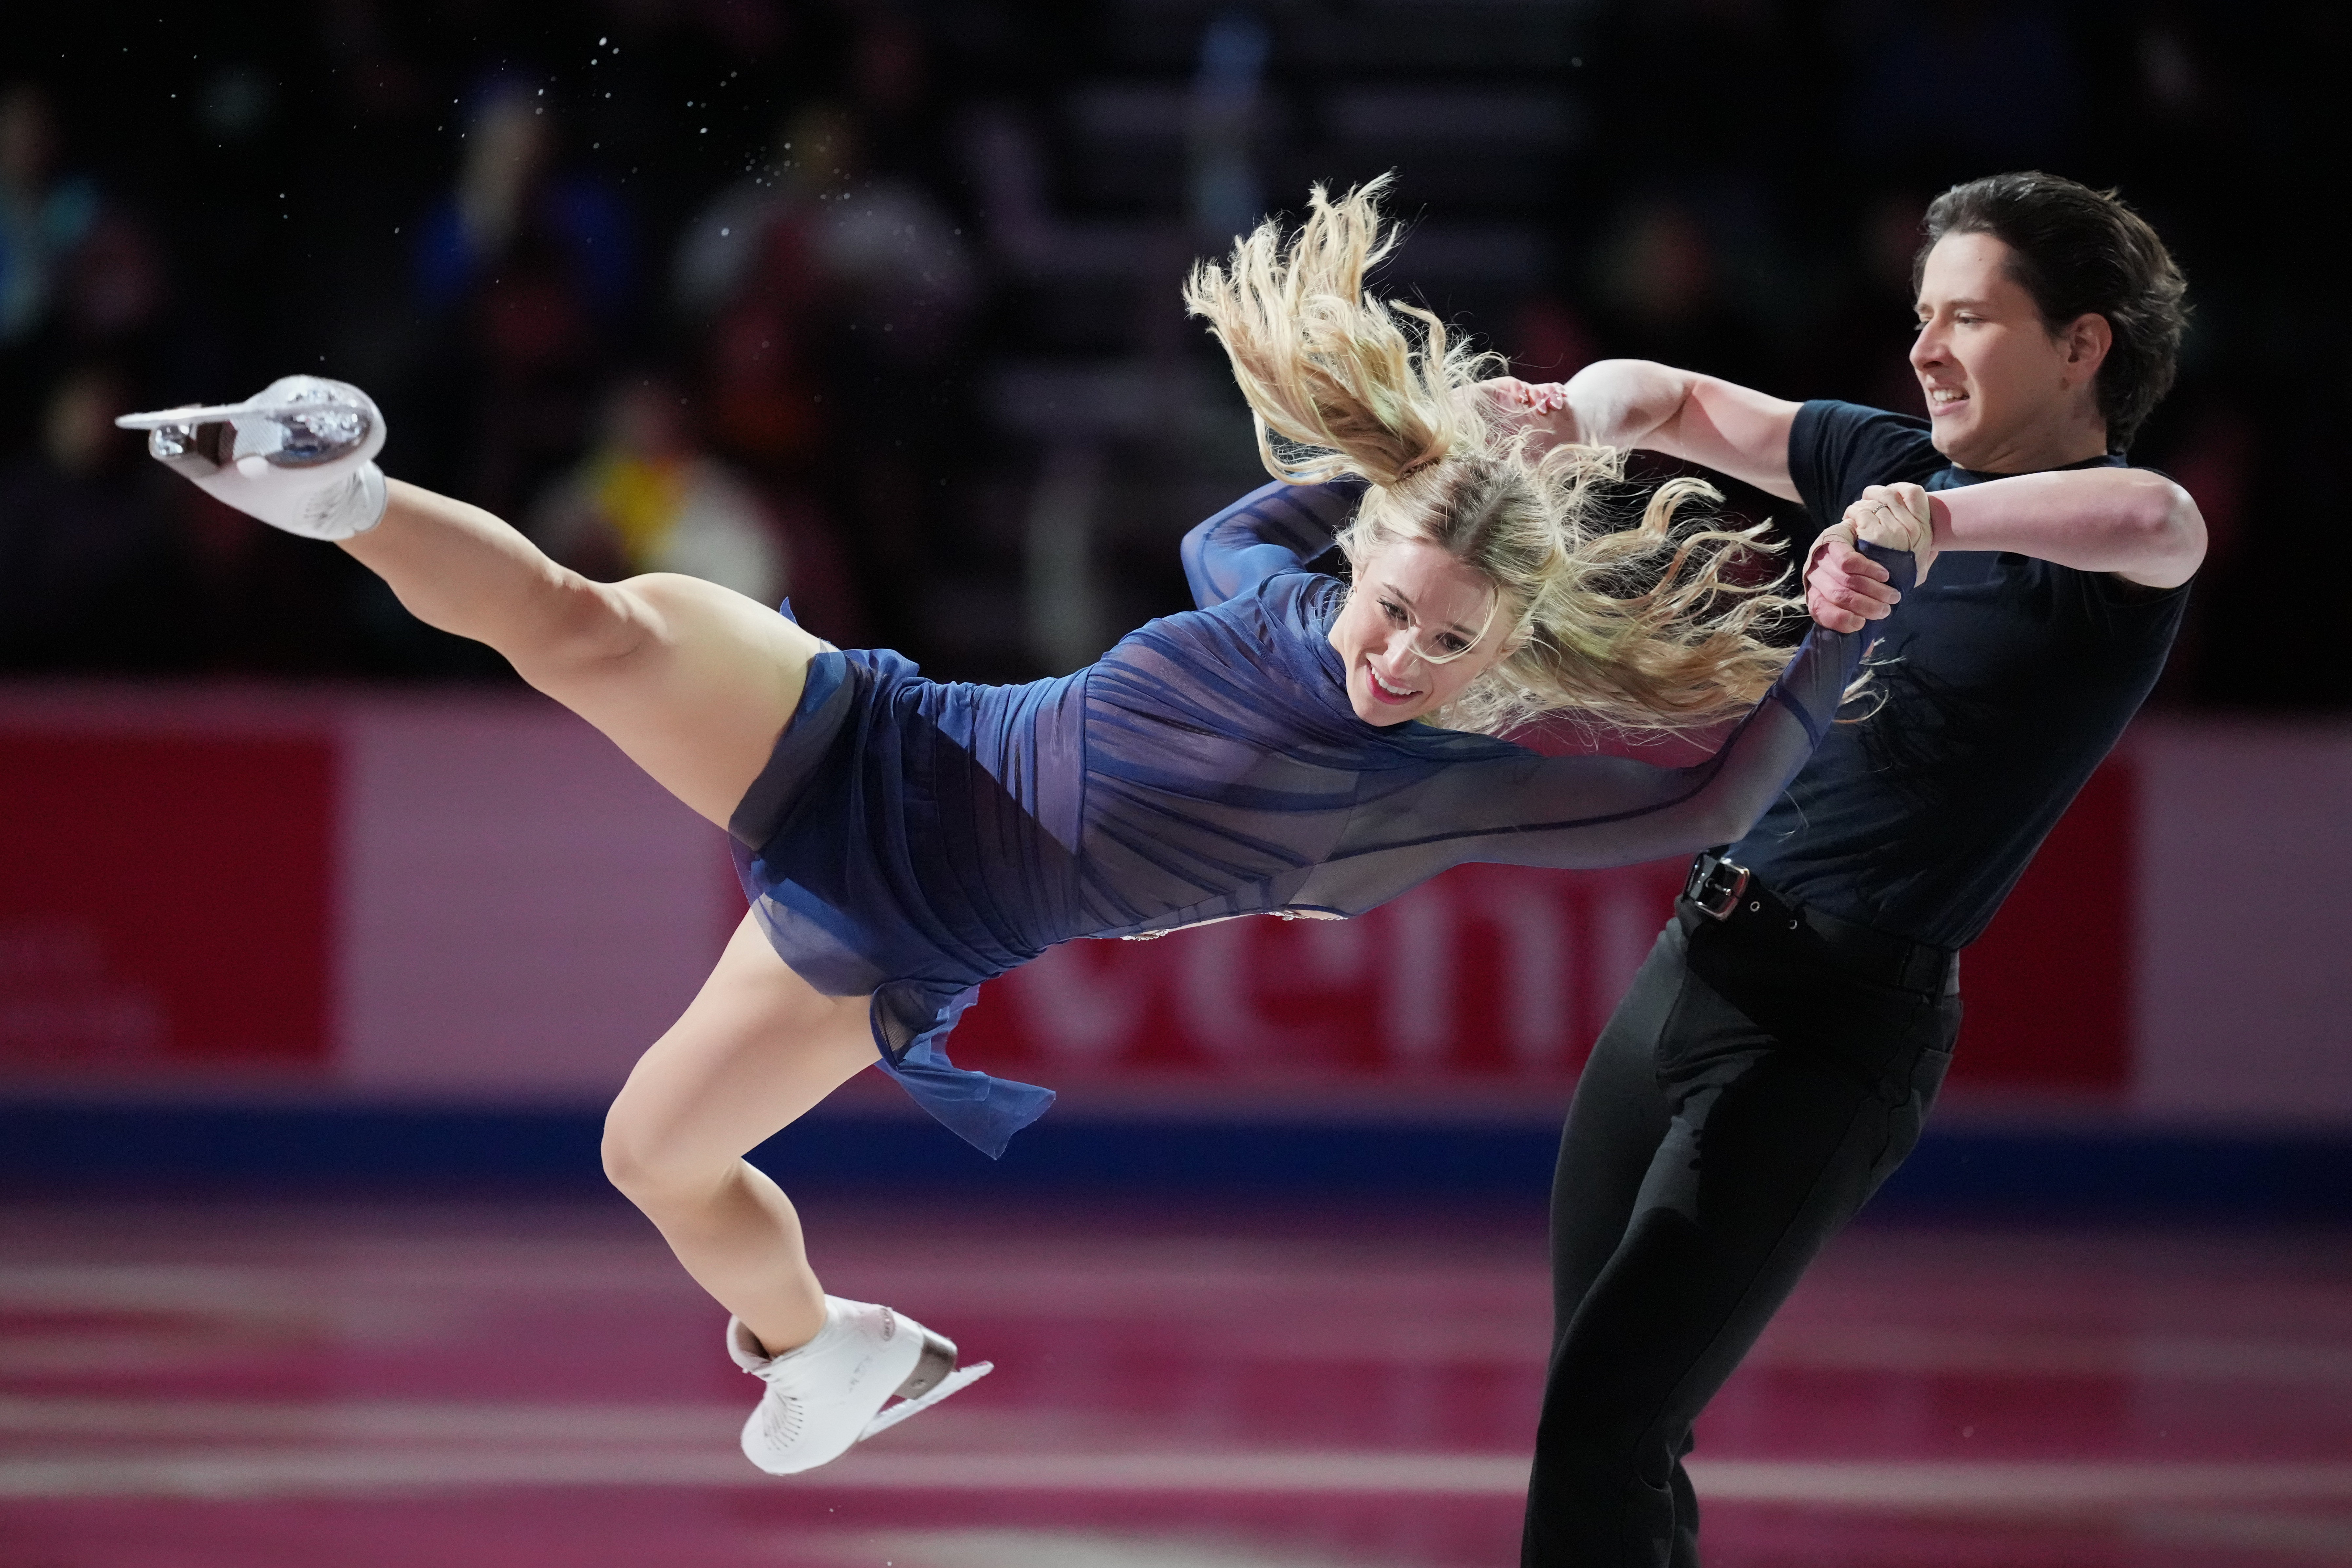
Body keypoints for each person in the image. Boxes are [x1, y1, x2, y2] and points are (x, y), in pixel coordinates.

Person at [116, 182, 1927, 1485]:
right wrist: (1462, 440)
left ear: (1502, 652)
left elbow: (1699, 799)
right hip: (869, 727)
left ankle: (821, 1347)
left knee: (652, 1159)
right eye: (1394, 606)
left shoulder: (1433, 785)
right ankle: (328, 480)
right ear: (1364, 556)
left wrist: (1847, 640)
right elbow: (1326, 503)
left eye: (1455, 644)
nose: (1404, 655)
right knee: (581, 624)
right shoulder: (1259, 565)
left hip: (900, 925)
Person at [1502, 170, 2204, 1566]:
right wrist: (1563, 416)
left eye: (1966, 318)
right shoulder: (1888, 465)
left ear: (2081, 346)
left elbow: (2150, 518)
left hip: (1828, 1038)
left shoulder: (2105, 561)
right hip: (1685, 974)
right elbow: (1669, 397)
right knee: (1607, 1414)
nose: (1923, 349)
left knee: (1604, 1423)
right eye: (1917, 316)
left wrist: (1933, 525)